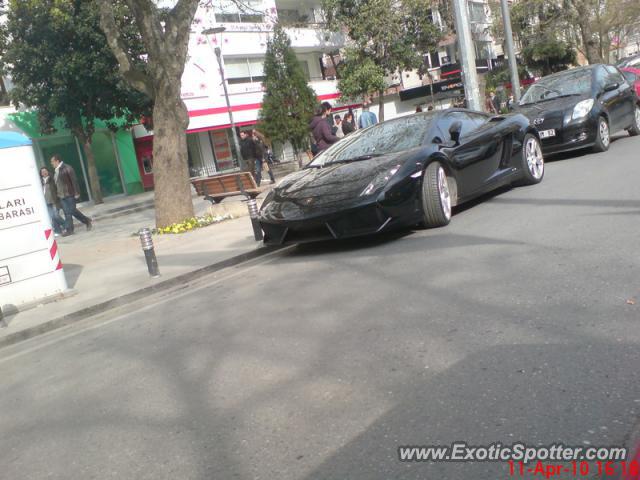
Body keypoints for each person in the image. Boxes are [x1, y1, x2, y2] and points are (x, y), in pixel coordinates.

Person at [50, 155, 92, 236]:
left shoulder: (67, 168)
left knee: (70, 211)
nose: (51, 163)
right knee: (68, 212)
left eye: (52, 161)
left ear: (57, 161)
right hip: (61, 195)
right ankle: (76, 226)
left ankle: (82, 223)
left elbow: (74, 180)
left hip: (69, 194)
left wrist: (77, 192)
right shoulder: (56, 170)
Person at [40, 167, 64, 236]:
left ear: (47, 171)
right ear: (41, 174)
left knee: (56, 215)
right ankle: (58, 231)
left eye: (45, 171)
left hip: (54, 200)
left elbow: (57, 188)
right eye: (42, 172)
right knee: (52, 216)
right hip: (46, 202)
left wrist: (58, 196)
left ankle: (66, 225)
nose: (44, 172)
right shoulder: (40, 181)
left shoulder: (52, 179)